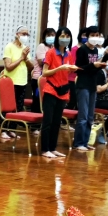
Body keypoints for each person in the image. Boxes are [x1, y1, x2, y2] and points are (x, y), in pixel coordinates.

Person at [39, 27, 78, 158]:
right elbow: (44, 73)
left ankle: (52, 148)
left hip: (63, 90)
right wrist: (60, 68)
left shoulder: (69, 54)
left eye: (67, 36)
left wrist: (73, 69)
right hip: (51, 90)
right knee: (48, 121)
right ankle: (45, 150)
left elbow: (70, 71)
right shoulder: (50, 53)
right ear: (57, 38)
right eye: (62, 36)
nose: (65, 38)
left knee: (57, 122)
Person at [72, 27, 107, 152]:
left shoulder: (96, 50)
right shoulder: (82, 49)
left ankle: (85, 142)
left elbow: (93, 69)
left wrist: (99, 66)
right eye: (93, 34)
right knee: (83, 116)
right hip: (83, 85)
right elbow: (78, 68)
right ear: (87, 35)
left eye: (97, 34)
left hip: (92, 85)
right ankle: (78, 143)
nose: (95, 37)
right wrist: (93, 65)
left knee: (90, 117)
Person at [1, 26, 33, 139]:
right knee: (8, 107)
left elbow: (31, 67)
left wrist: (26, 59)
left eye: (27, 34)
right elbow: (8, 67)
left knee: (18, 107)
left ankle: (12, 129)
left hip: (22, 82)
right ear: (17, 34)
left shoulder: (25, 48)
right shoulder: (9, 47)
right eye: (23, 34)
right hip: (10, 82)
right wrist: (21, 57)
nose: (25, 36)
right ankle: (4, 130)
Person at [32, 28, 56, 112]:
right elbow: (41, 61)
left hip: (49, 79)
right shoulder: (41, 46)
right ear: (44, 37)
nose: (51, 37)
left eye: (53, 35)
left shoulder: (54, 48)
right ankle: (35, 124)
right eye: (48, 35)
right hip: (39, 78)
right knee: (38, 102)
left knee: (46, 103)